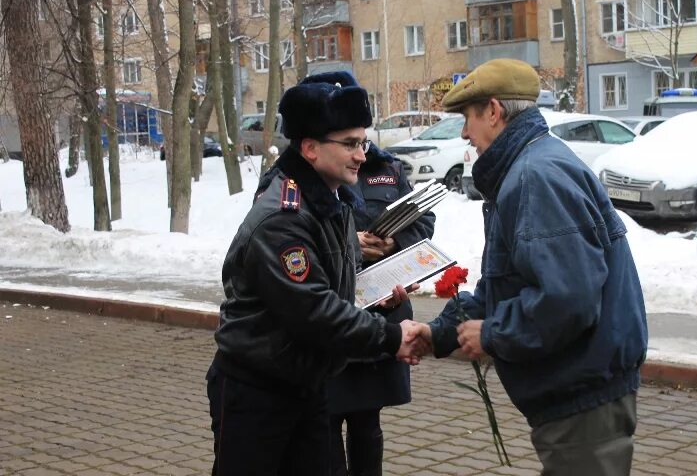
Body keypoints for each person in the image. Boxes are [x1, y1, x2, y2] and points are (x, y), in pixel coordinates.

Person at [413, 59, 648, 475]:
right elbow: (508, 282)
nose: (464, 133)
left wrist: (495, 334)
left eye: (468, 117)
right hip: (576, 393)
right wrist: (441, 333)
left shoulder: (534, 176)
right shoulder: (528, 166)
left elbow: (568, 299)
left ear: (493, 111)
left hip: (583, 397)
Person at [206, 71, 424, 476]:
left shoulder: (329, 200)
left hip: (308, 385)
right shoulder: (283, 218)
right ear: (309, 148)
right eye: (350, 144)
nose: (362, 154)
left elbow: (335, 287)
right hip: (257, 393)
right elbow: (314, 311)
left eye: (362, 142)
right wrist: (391, 336)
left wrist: (378, 298)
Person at [327, 141, 436, 476]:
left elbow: (424, 220)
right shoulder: (307, 174)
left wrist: (396, 242)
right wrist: (350, 241)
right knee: (323, 423)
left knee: (367, 423)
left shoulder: (387, 168)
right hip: (329, 315)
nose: (357, 149)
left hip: (381, 313)